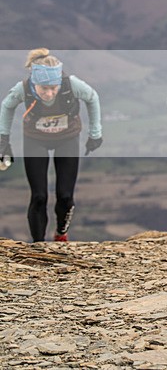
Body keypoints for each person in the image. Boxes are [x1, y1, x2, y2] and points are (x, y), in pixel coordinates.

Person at [0, 48, 103, 242]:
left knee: (65, 196)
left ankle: (61, 233)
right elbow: (7, 106)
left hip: (67, 138)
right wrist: (3, 141)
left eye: (53, 88)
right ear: (34, 83)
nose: (49, 93)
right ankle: (38, 245)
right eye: (43, 89)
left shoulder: (71, 85)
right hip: (35, 140)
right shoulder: (23, 88)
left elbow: (92, 97)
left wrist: (95, 133)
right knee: (39, 196)